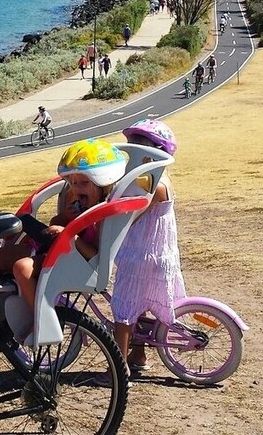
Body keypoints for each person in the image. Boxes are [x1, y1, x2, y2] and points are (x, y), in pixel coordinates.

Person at [0, 139, 129, 319]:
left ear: (103, 185)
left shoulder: (102, 217)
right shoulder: (77, 202)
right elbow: (56, 222)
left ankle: (41, 318)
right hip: (54, 250)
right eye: (73, 183)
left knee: (22, 268)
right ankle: (26, 295)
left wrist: (71, 237)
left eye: (84, 183)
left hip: (75, 261)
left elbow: (94, 255)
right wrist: (65, 218)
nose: (76, 189)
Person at [111, 119, 187, 377]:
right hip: (155, 254)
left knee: (123, 312)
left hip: (141, 254)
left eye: (138, 146)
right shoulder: (160, 180)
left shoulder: (152, 185)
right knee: (140, 305)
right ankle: (139, 354)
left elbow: (131, 215)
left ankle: (119, 370)